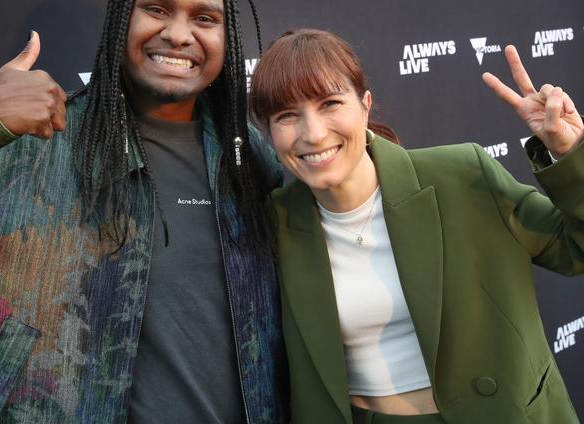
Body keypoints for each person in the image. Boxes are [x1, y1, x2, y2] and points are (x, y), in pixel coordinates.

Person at [0, 0, 288, 423]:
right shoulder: (21, 148)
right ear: (122, 18)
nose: (179, 34)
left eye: (204, 19)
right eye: (156, 9)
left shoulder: (252, 161)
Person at [249, 28, 583, 424]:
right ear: (269, 132)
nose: (314, 133)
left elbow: (575, 250)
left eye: (330, 104)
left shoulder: (462, 175)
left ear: (365, 105)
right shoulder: (273, 223)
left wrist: (571, 153)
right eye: (287, 115)